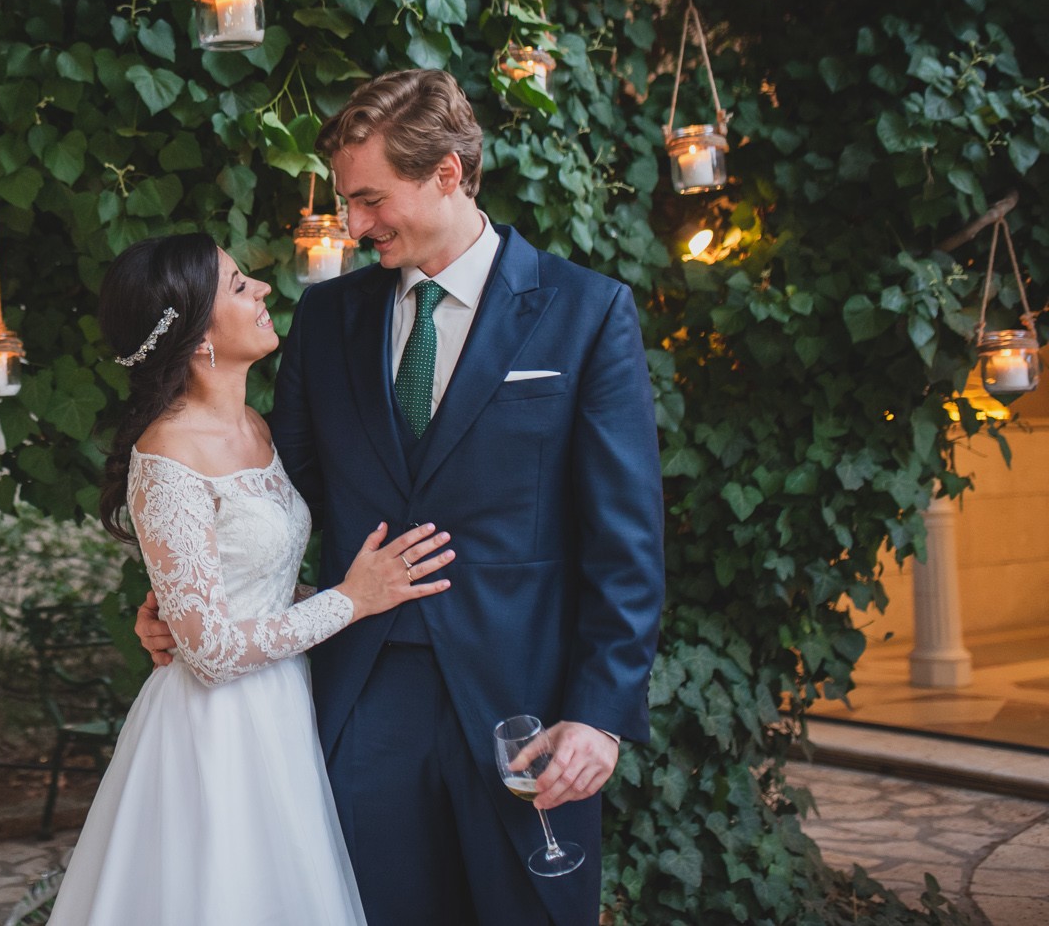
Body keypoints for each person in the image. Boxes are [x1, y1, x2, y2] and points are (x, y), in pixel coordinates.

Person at [135, 69, 666, 926]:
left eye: (371, 198)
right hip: (358, 701)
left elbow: (627, 544)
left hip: (520, 707)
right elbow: (279, 502)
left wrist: (599, 717)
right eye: (348, 201)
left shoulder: (586, 312)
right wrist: (185, 591)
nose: (354, 225)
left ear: (447, 175)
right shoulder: (326, 319)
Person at [46, 233, 455, 926]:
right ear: (198, 335)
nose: (264, 289)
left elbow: (250, 590)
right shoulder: (168, 453)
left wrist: (341, 598)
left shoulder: (260, 428)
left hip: (281, 709)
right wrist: (350, 601)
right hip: (214, 731)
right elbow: (209, 653)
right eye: (239, 286)